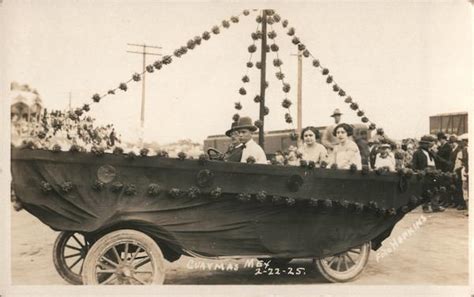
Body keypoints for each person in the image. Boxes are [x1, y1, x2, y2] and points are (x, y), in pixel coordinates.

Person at [412, 135, 445, 213]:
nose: (429, 146)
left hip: (434, 171)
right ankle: (425, 206)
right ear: (422, 144)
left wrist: (447, 163)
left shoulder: (431, 152)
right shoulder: (417, 153)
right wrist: (419, 172)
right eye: (427, 144)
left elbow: (438, 159)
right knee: (425, 190)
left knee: (436, 189)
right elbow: (414, 165)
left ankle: (435, 206)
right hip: (425, 172)